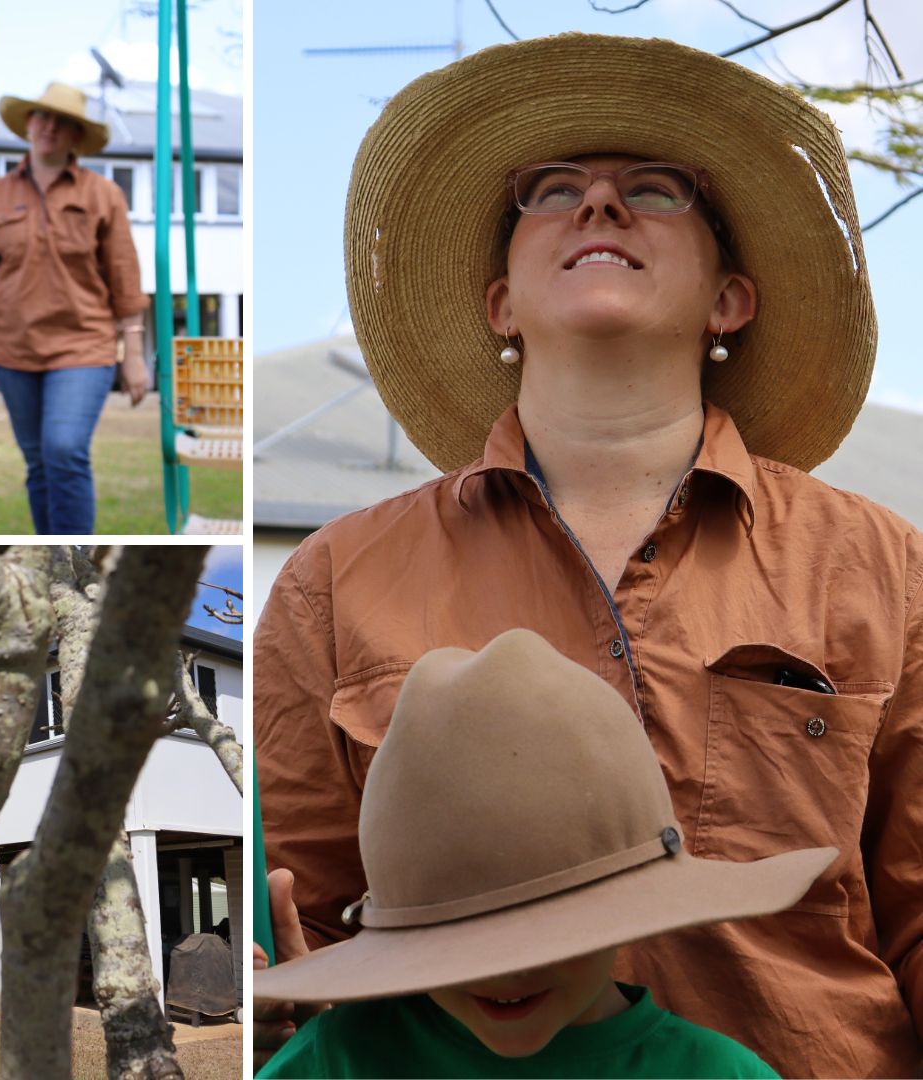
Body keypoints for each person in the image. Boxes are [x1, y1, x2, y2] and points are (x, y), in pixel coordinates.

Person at [254, 33, 923, 1079]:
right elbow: (314, 907)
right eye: (550, 190)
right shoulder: (334, 580)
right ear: (501, 307)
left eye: (655, 190)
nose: (599, 205)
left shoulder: (884, 567)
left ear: (728, 302)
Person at [257, 632, 834, 1078]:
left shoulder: (717, 1074)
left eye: (550, 934)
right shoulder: (340, 1060)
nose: (508, 972)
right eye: (460, 945)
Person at [0, 82, 149, 535]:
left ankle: (79, 562)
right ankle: (54, 560)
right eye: (42, 117)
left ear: (77, 136)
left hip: (84, 345)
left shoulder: (104, 195)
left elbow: (125, 278)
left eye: (63, 122)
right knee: (39, 462)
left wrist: (133, 355)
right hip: (12, 350)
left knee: (63, 448)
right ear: (28, 125)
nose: (50, 128)